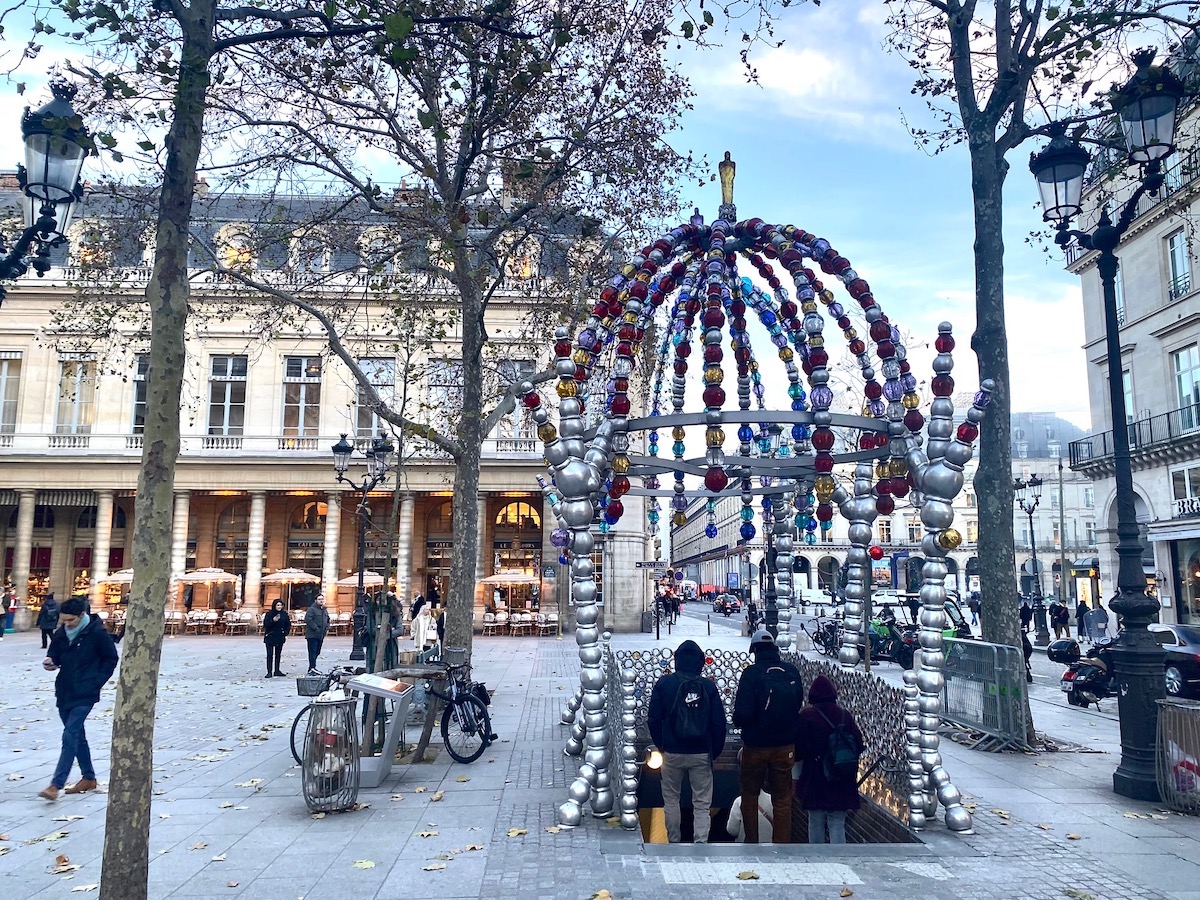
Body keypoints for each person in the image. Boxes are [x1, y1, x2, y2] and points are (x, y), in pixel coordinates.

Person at [646, 639, 727, 843]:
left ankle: (674, 840)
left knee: (671, 799)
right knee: (701, 803)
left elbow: (653, 719)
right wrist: (713, 752)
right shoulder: (708, 687)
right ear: (700, 662)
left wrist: (662, 746)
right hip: (701, 753)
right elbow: (718, 723)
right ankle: (700, 843)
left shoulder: (665, 684)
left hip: (672, 752)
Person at [38, 596, 119, 801]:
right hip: (65, 690)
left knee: (70, 734)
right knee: (77, 736)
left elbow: (111, 658)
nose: (66, 624)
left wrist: (96, 681)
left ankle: (56, 785)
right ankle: (89, 778)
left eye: (70, 621)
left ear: (82, 616)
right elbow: (54, 654)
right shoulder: (61, 633)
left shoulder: (97, 633)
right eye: (63, 620)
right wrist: (50, 661)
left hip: (86, 692)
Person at [733, 629, 803, 843]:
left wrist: (743, 723)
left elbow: (742, 714)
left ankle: (752, 842)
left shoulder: (751, 674)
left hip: (756, 745)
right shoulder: (791, 672)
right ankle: (781, 845)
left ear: (754, 650)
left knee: (750, 794)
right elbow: (798, 705)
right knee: (782, 798)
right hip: (785, 746)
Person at [795, 675, 864, 844]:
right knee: (837, 823)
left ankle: (817, 860)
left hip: (816, 777)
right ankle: (840, 860)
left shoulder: (807, 716)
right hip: (841, 777)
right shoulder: (844, 715)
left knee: (815, 820)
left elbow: (799, 750)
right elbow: (859, 744)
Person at [263, 599, 290, 678]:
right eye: (278, 605)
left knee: (278, 654)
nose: (279, 607)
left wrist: (285, 632)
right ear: (274, 606)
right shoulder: (269, 614)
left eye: (281, 605)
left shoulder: (284, 614)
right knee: (270, 655)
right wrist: (273, 620)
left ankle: (277, 670)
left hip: (280, 636)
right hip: (270, 636)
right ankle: (269, 671)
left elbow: (288, 624)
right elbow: (266, 625)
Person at [304, 596, 330, 674]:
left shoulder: (324, 610)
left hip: (321, 635)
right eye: (319, 599)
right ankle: (312, 667)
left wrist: (327, 627)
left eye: (322, 599)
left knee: (317, 651)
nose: (321, 601)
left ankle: (312, 667)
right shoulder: (312, 609)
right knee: (313, 651)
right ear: (315, 600)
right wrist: (315, 628)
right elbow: (308, 619)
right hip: (312, 635)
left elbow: (328, 619)